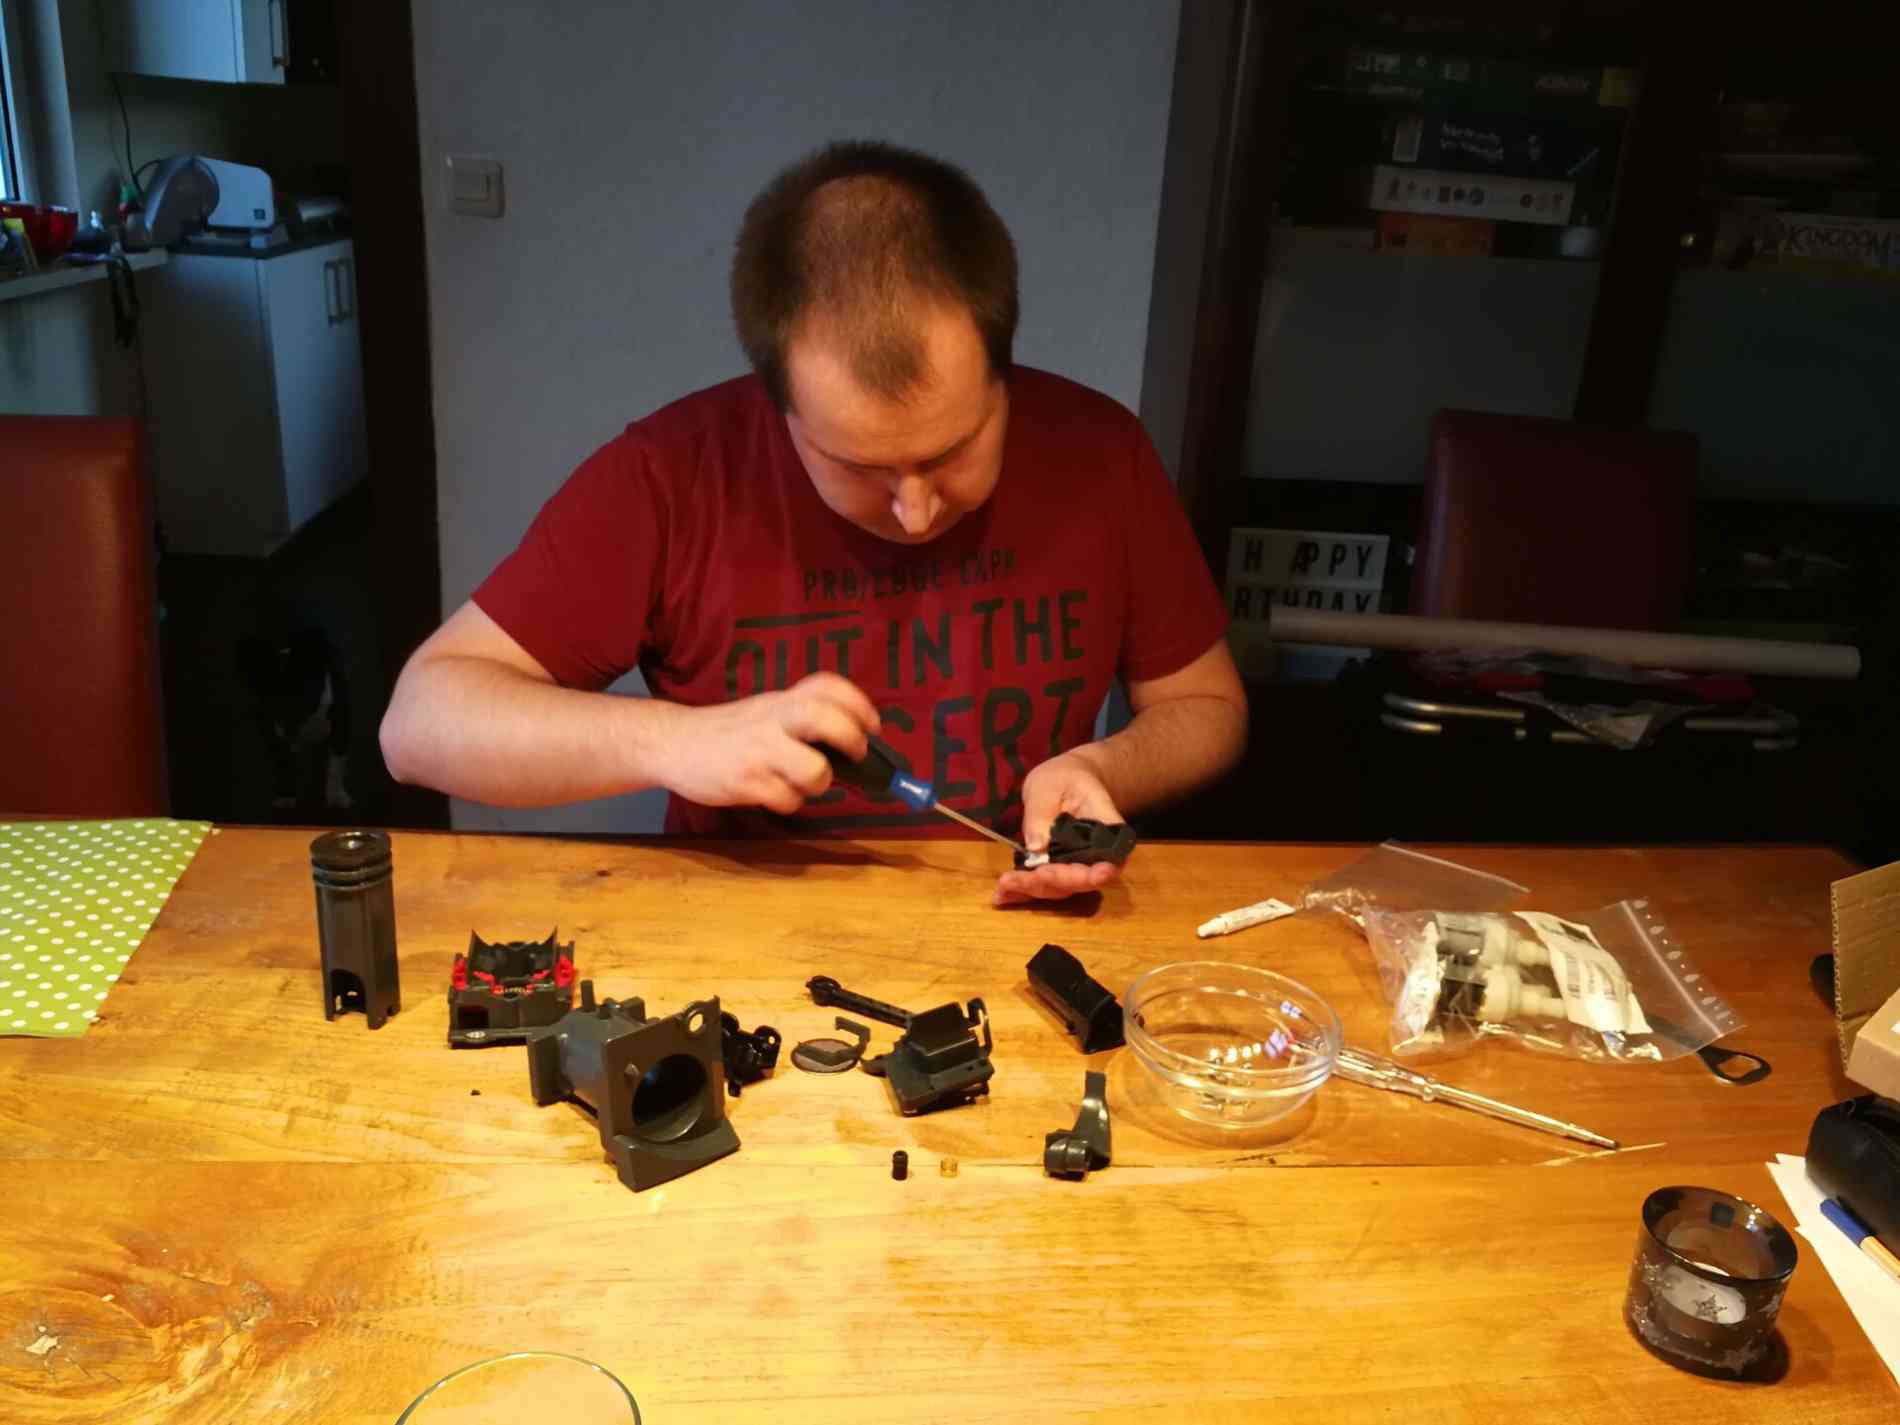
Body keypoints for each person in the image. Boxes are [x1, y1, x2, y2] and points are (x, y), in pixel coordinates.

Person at [380, 141, 1246, 904]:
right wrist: (676, 739)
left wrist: (1100, 767)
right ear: (779, 403)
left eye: (952, 451)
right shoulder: (671, 475)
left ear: (1002, 373)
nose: (916, 510)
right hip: (749, 948)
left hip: (1017, 922)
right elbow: (419, 724)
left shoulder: (1102, 453)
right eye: (863, 468)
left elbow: (1206, 705)